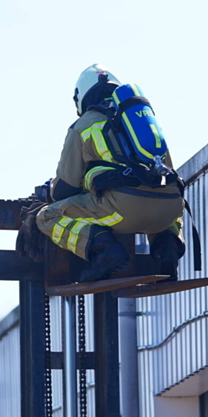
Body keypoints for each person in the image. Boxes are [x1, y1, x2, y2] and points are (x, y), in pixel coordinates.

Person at [29, 64, 185, 282]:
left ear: (81, 97)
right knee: (158, 196)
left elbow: (65, 188)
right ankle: (166, 255)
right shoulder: (145, 124)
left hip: (122, 211)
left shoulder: (83, 124)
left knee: (47, 216)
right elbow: (167, 172)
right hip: (168, 212)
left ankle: (104, 251)